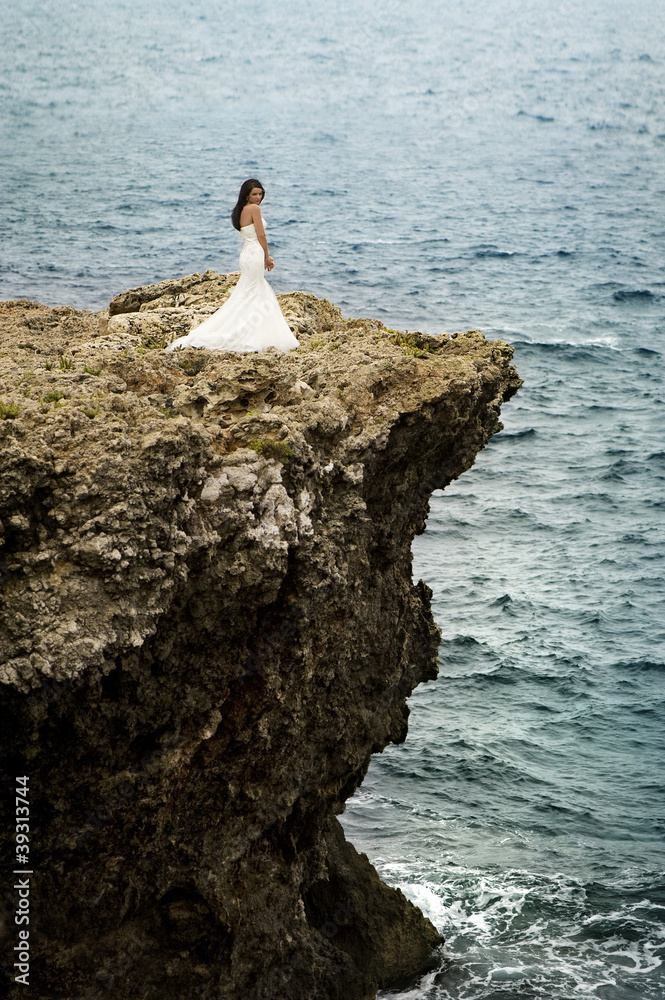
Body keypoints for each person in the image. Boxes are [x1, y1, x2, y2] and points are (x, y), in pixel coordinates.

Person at [165, 179, 299, 353]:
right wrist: (267, 257)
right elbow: (261, 235)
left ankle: (251, 330)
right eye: (254, 194)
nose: (258, 198)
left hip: (246, 254)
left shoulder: (240, 211)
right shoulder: (254, 209)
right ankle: (248, 333)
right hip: (255, 254)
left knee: (248, 293)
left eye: (260, 194)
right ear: (246, 195)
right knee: (255, 292)